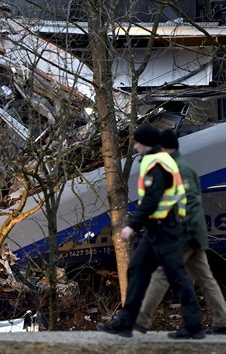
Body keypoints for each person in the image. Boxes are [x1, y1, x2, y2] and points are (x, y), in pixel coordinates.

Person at [96, 124, 205, 339]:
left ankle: (194, 325)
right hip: (158, 229)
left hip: (165, 230)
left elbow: (152, 199)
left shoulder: (156, 164)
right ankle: (125, 324)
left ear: (145, 143)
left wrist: (131, 226)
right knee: (137, 270)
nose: (134, 146)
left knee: (177, 277)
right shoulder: (158, 160)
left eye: (136, 142)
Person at [134, 129, 226, 335]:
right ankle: (223, 322)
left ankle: (140, 321)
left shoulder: (179, 168)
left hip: (185, 233)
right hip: (192, 233)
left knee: (162, 274)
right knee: (205, 278)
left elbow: (190, 204)